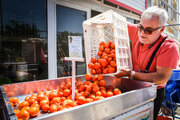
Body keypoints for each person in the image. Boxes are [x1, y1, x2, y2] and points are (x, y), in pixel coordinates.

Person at [115, 6, 179, 120]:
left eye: (148, 30)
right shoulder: (137, 31)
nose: (142, 33)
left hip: (153, 94)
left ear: (161, 29)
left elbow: (161, 78)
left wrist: (131, 74)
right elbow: (116, 23)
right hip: (132, 88)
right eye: (140, 27)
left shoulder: (169, 47)